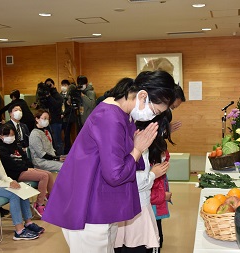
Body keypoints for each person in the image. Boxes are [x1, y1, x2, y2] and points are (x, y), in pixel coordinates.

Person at [43, 70, 176, 253]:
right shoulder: (110, 116)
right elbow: (115, 174)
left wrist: (136, 148)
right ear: (142, 95)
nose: (152, 117)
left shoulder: (122, 113)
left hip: (100, 201)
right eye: (155, 111)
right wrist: (137, 149)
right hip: (88, 205)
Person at [0, 118, 45, 240]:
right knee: (13, 194)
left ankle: (28, 222)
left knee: (21, 188)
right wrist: (5, 185)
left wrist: (10, 181)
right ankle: (19, 230)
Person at [114, 127, 170, 252]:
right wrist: (153, 175)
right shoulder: (138, 147)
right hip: (136, 209)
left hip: (135, 209)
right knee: (134, 244)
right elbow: (137, 182)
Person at [137, 110, 175, 253]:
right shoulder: (144, 150)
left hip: (152, 205)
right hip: (147, 207)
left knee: (156, 238)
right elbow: (141, 185)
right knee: (151, 242)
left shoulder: (156, 144)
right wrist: (162, 196)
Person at [0, 124, 54, 217]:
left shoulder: (16, 146)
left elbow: (26, 159)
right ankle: (39, 204)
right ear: (0, 136)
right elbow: (10, 165)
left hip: (24, 169)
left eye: (12, 135)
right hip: (15, 173)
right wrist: (26, 168)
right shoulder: (1, 149)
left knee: (48, 173)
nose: (10, 137)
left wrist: (29, 167)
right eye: (7, 135)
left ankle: (53, 199)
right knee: (44, 176)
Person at [32, 79, 64, 155]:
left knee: (57, 141)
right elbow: (44, 108)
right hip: (45, 122)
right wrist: (37, 107)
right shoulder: (44, 97)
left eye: (49, 85)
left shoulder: (57, 95)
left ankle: (60, 156)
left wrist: (49, 96)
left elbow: (57, 105)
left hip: (55, 121)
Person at [60, 80, 76, 154]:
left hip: (68, 118)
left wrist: (64, 114)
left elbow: (71, 108)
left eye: (65, 85)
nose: (63, 87)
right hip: (60, 118)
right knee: (62, 135)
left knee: (68, 135)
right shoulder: (59, 95)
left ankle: (68, 150)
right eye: (62, 85)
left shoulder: (70, 96)